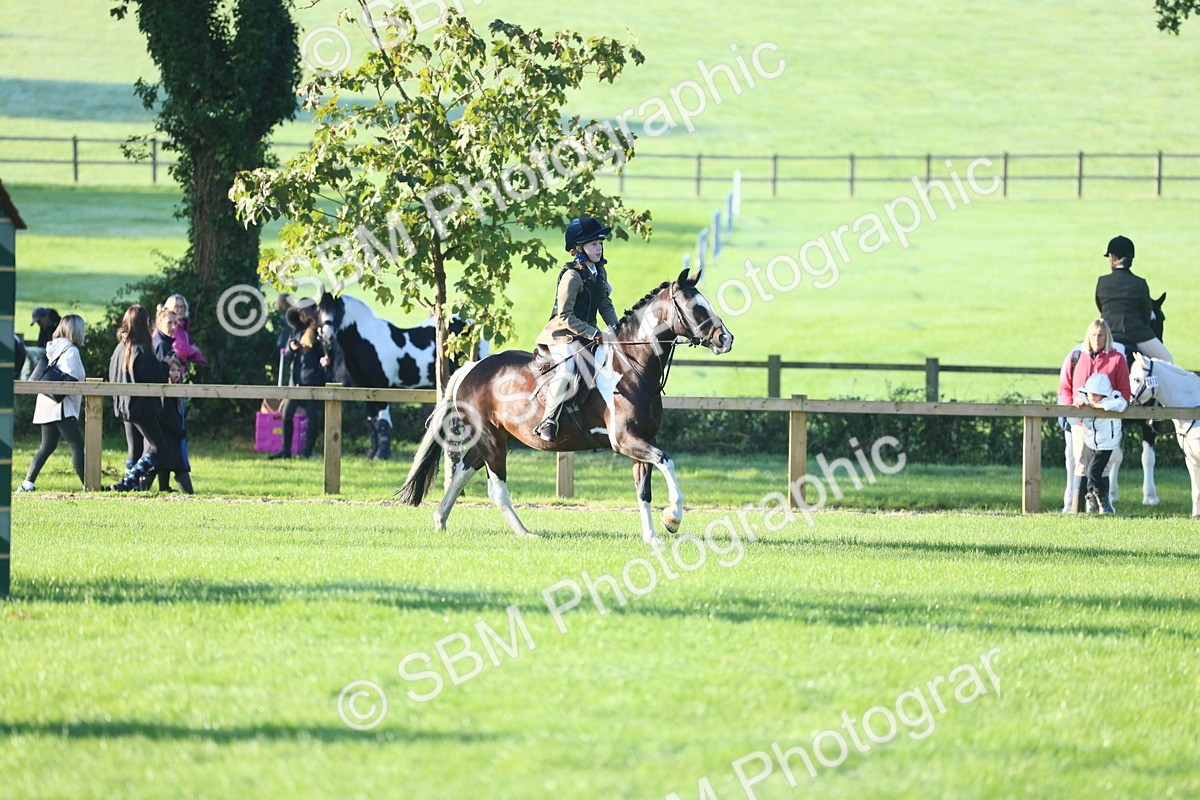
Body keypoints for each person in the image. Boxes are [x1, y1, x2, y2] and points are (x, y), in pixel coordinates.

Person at [532, 216, 619, 443]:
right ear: (579, 248)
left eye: (600, 243)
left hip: (587, 334)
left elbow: (605, 304)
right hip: (562, 334)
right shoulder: (572, 276)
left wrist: (617, 329)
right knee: (568, 369)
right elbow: (564, 316)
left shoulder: (599, 272)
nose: (599, 248)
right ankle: (548, 420)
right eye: (594, 244)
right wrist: (594, 333)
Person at [1059, 319, 1131, 513]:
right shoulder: (1076, 357)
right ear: (1087, 336)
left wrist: (1105, 406)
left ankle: (1102, 507)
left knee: (1103, 466)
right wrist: (1072, 405)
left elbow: (1125, 392)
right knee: (1081, 464)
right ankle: (1077, 508)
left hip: (1106, 424)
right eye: (1093, 335)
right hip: (1081, 423)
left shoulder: (1117, 359)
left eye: (1101, 335)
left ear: (1107, 337)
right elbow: (1064, 387)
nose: (1097, 339)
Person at [16, 315, 87, 492]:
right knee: (77, 445)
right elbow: (70, 381)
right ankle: (89, 485)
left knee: (47, 446)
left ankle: (27, 483)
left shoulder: (54, 346)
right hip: (61, 406)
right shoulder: (71, 351)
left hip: (46, 403)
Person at [109, 304, 171, 491]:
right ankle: (128, 482)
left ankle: (133, 486)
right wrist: (166, 365)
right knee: (159, 448)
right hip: (141, 407)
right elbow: (157, 377)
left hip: (123, 405)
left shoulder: (119, 349)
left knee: (134, 449)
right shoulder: (142, 349)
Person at [1095, 235, 1172, 362]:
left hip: (1107, 332)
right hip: (1137, 334)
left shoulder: (1102, 281)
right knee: (1167, 360)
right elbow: (1146, 316)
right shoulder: (1140, 283)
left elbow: (1100, 306)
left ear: (1113, 258)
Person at [271, 302, 327, 459]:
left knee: (312, 417)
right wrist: (292, 347)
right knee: (286, 414)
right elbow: (287, 354)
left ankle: (307, 452)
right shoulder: (295, 331)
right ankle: (286, 451)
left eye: (305, 313)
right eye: (301, 313)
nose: (303, 316)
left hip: (314, 379)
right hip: (296, 380)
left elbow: (327, 352)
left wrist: (324, 361)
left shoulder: (319, 332)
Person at [1076, 372, 1128, 515]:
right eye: (1090, 393)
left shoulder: (1114, 397)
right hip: (1090, 441)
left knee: (1093, 472)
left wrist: (1099, 406)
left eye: (1096, 394)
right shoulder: (1083, 398)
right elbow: (1073, 419)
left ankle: (1103, 500)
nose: (1092, 396)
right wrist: (1078, 406)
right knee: (1089, 473)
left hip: (1106, 444)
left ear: (1104, 394)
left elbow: (1122, 404)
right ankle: (1092, 501)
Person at [157, 356, 194, 494]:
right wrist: (179, 431)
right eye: (172, 370)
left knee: (169, 463)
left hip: (174, 436)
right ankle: (164, 488)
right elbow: (167, 415)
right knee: (171, 464)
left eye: (178, 370)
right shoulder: (166, 392)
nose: (176, 373)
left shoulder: (178, 391)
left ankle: (165, 488)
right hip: (169, 434)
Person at [162, 294, 206, 366]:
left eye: (182, 306)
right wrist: (194, 349)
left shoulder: (182, 326)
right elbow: (179, 350)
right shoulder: (171, 327)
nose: (180, 310)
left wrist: (202, 361)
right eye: (176, 307)